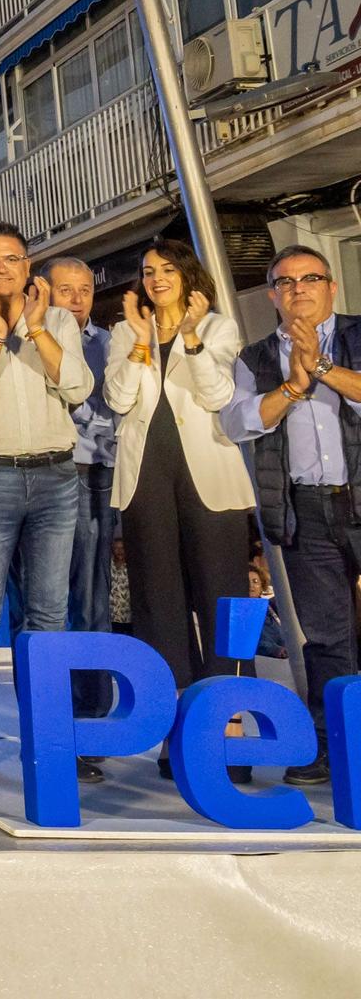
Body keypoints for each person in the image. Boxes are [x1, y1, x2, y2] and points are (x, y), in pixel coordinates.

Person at [103, 239, 255, 779]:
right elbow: (118, 400)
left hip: (209, 478)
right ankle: (177, 729)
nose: (156, 278)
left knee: (222, 597)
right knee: (158, 602)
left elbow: (217, 396)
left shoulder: (218, 327)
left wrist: (188, 336)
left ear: (188, 277)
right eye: (148, 271)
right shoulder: (126, 332)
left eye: (167, 269)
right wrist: (142, 343)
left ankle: (229, 727)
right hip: (146, 479)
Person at [0, 223, 92, 778]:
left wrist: (33, 331)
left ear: (29, 267)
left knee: (49, 613)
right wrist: (0, 337)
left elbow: (77, 387)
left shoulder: (55, 321)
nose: (1, 268)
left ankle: (49, 739)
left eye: (11, 259)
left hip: (55, 474)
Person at [225, 244, 361, 786]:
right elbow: (238, 423)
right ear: (272, 295)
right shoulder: (256, 357)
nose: (298, 288)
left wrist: (323, 368)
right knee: (327, 637)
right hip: (304, 508)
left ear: (331, 286)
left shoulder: (357, 334)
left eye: (310, 278)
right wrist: (292, 387)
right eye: (286, 282)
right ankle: (335, 748)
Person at [48, 255, 119, 743]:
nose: (76, 300)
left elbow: (114, 407)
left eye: (85, 291)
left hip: (100, 473)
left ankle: (92, 717)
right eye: (65, 290)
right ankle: (56, 712)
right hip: (50, 473)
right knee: (49, 602)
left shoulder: (110, 343)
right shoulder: (33, 337)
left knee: (93, 599)